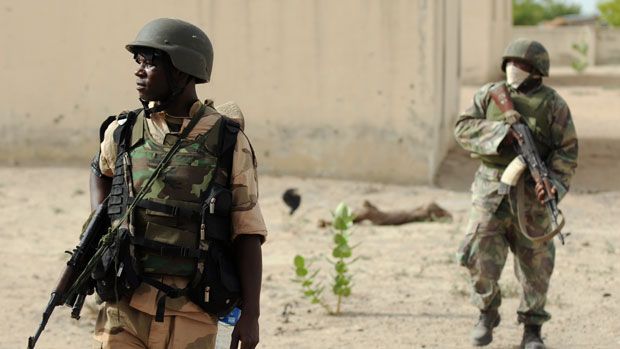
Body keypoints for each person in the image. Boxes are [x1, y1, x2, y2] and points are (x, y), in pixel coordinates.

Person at [89, 18, 266, 349]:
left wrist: (251, 315)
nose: (139, 72)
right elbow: (100, 170)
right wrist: (105, 218)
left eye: (151, 62)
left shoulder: (227, 141)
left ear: (183, 71)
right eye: (138, 62)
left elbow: (247, 230)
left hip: (193, 310)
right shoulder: (123, 131)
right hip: (123, 305)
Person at [454, 38, 578, 349]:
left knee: (536, 264)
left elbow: (567, 151)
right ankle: (487, 311)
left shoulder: (554, 105)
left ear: (537, 71)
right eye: (510, 63)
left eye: (521, 65)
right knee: (476, 254)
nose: (514, 69)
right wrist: (501, 134)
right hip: (491, 191)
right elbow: (462, 128)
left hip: (532, 199)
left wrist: (554, 184)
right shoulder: (489, 95)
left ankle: (532, 329)